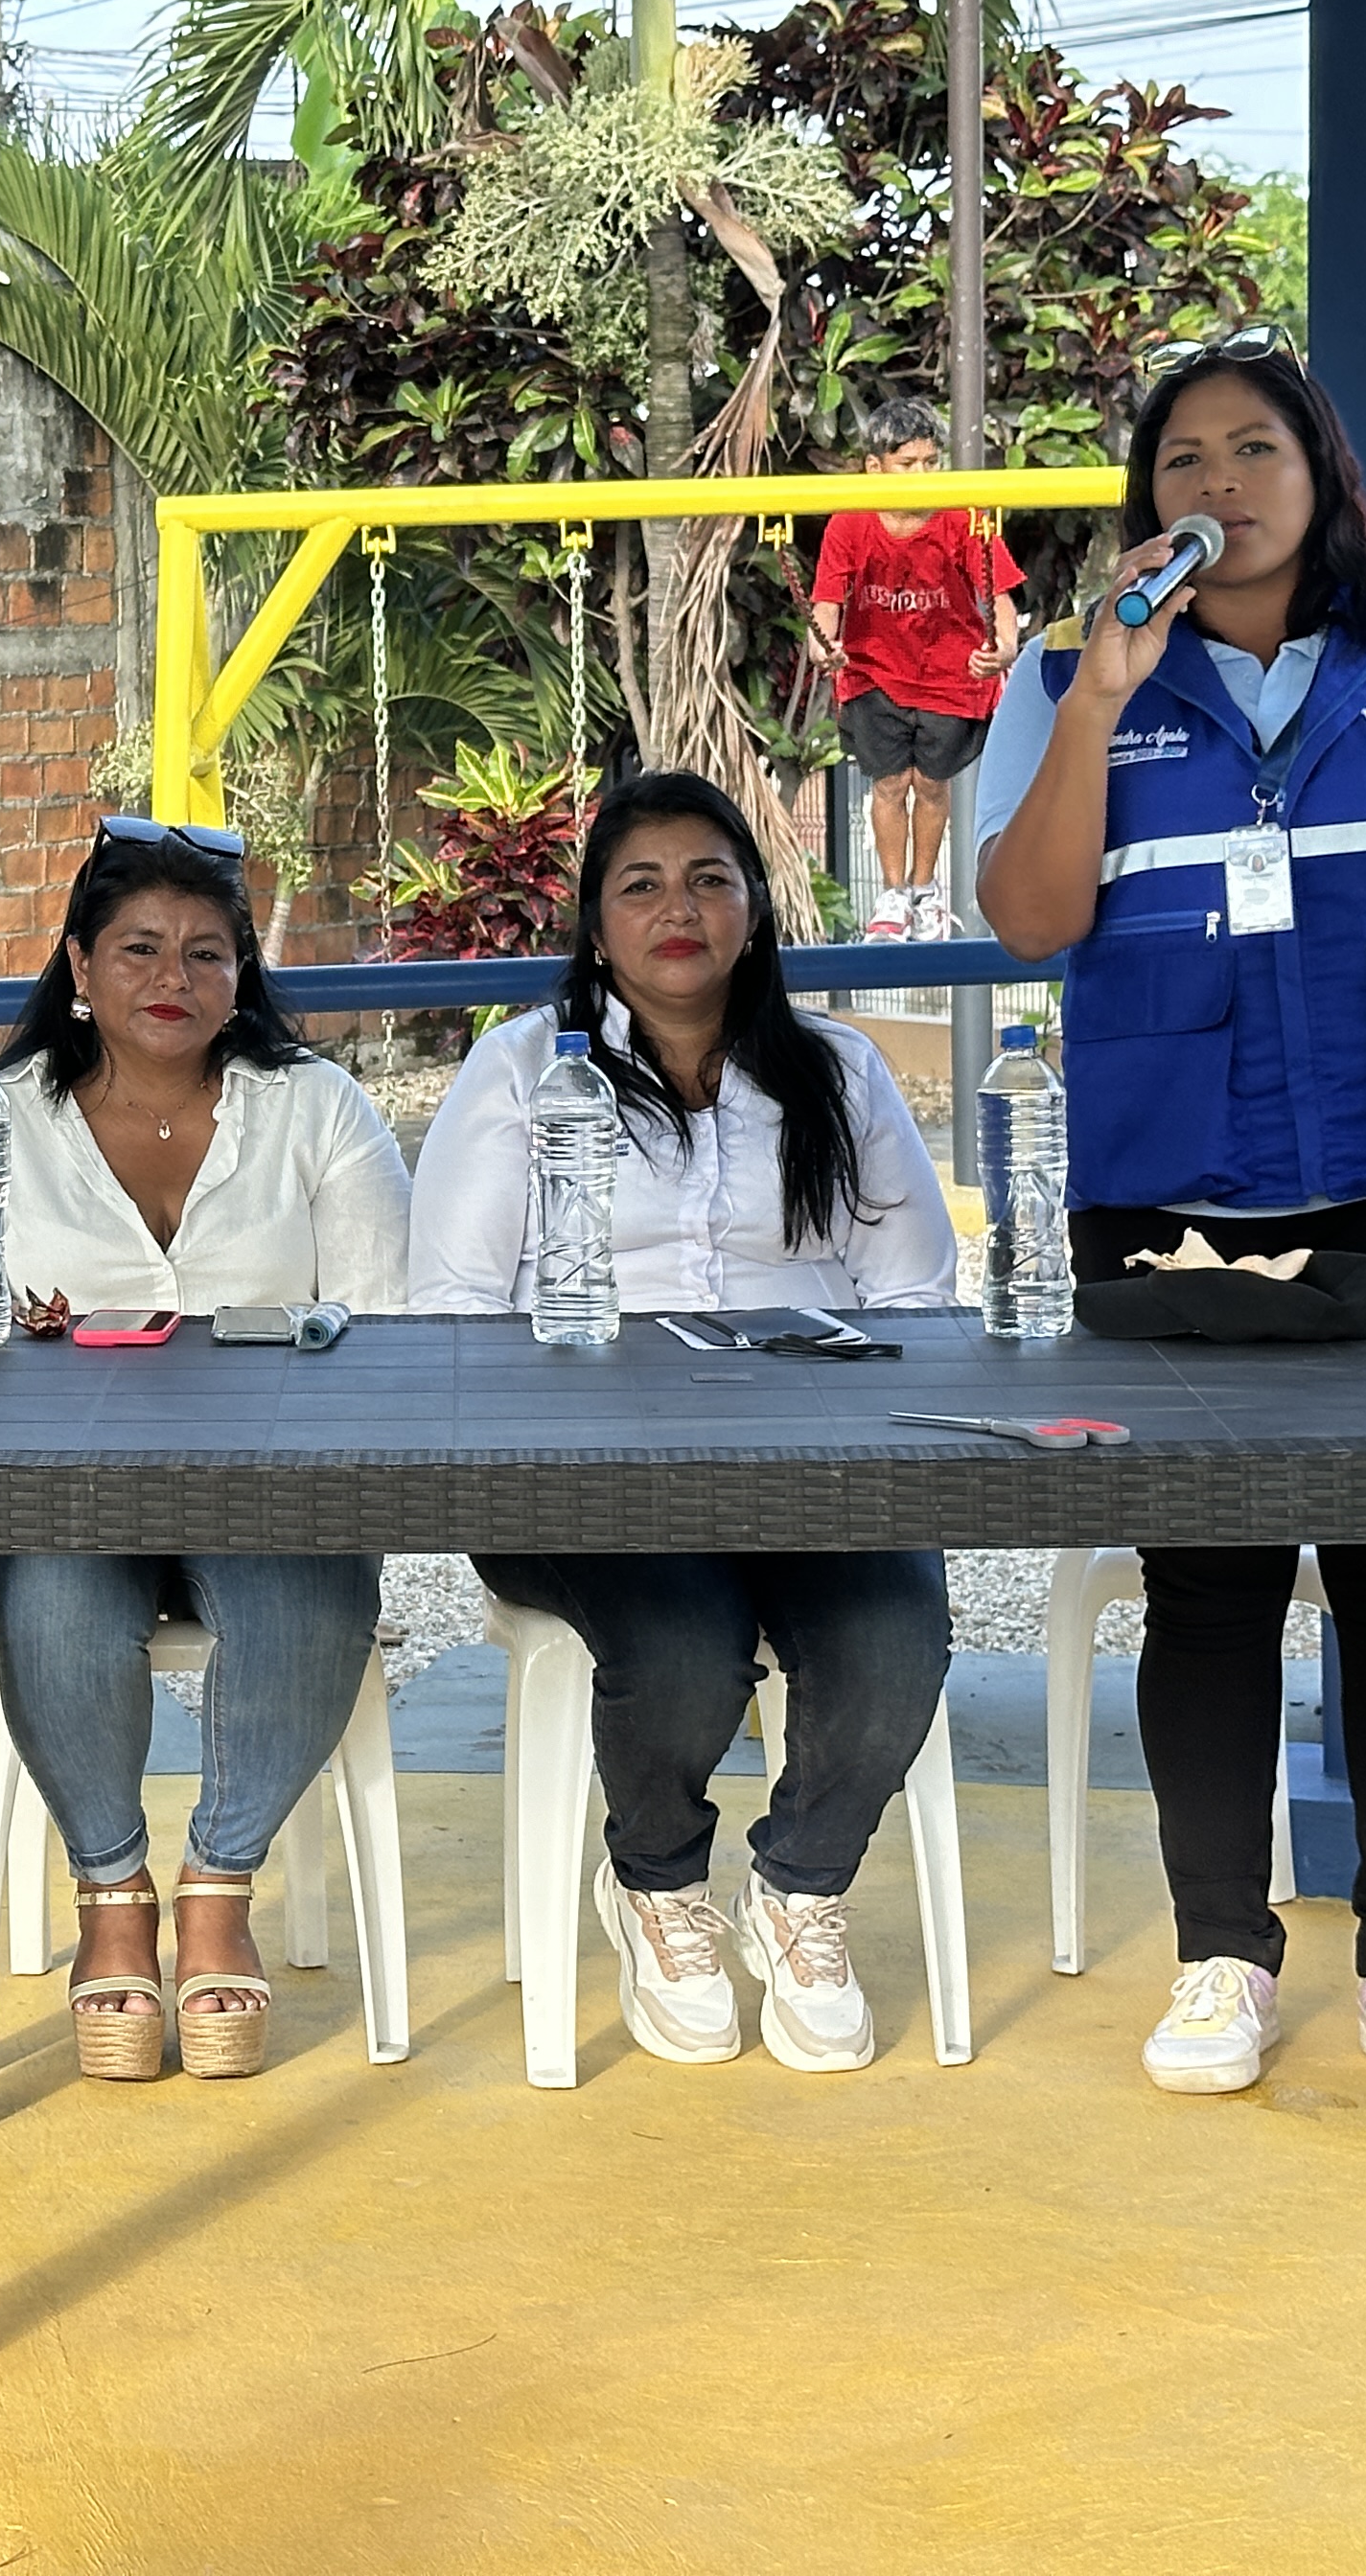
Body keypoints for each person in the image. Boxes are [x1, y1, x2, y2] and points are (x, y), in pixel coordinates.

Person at [977, 323, 1366, 2114]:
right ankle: (1218, 1953)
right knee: (1208, 1584)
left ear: (1321, 476)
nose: (1218, 484)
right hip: (1168, 1199)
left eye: (1252, 448)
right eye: (1181, 459)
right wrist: (1100, 697)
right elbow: (1029, 919)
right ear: (1145, 501)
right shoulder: (1067, 671)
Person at [409, 764, 960, 2074]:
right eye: (642, 885)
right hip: (583, 1468)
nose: (679, 909)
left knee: (893, 1633)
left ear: (755, 911)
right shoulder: (523, 1072)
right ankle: (657, 1886)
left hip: (814, 1459)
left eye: (710, 881)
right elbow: (452, 1312)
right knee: (683, 1643)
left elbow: (917, 1298)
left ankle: (801, 1886)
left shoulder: (837, 1070)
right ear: (596, 926)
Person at [0, 819, 409, 2082]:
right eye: (139, 950)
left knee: (308, 1597)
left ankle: (219, 1884)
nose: (173, 978)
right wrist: (11, 1337)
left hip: (269, 1480)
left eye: (206, 954)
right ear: (79, 964)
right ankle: (112, 1897)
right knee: (55, 1600)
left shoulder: (316, 1107)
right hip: (65, 1487)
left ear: (242, 975)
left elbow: (392, 1325)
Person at [806, 398, 1026, 944]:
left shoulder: (960, 517)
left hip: (949, 671)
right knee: (888, 783)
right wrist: (823, 645)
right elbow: (827, 604)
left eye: (931, 462)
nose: (923, 475)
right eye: (908, 464)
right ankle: (892, 893)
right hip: (874, 669)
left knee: (929, 782)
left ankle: (925, 889)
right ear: (875, 467)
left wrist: (1004, 647)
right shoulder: (850, 523)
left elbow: (999, 596)